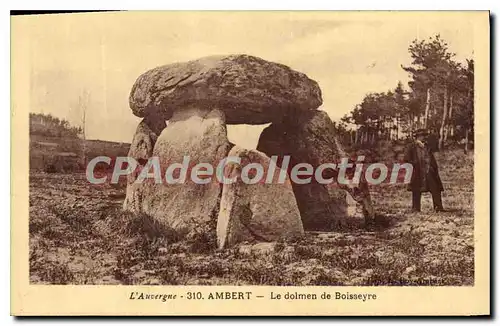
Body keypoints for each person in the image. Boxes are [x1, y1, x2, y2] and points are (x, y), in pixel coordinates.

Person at [404, 128, 445, 212]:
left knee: (435, 188)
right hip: (417, 171)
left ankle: (438, 207)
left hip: (428, 170)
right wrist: (414, 165)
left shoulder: (427, 146)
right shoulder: (411, 146)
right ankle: (415, 208)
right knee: (416, 189)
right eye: (422, 136)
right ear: (417, 137)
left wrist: (433, 168)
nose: (424, 137)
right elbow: (406, 159)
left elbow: (431, 158)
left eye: (425, 135)